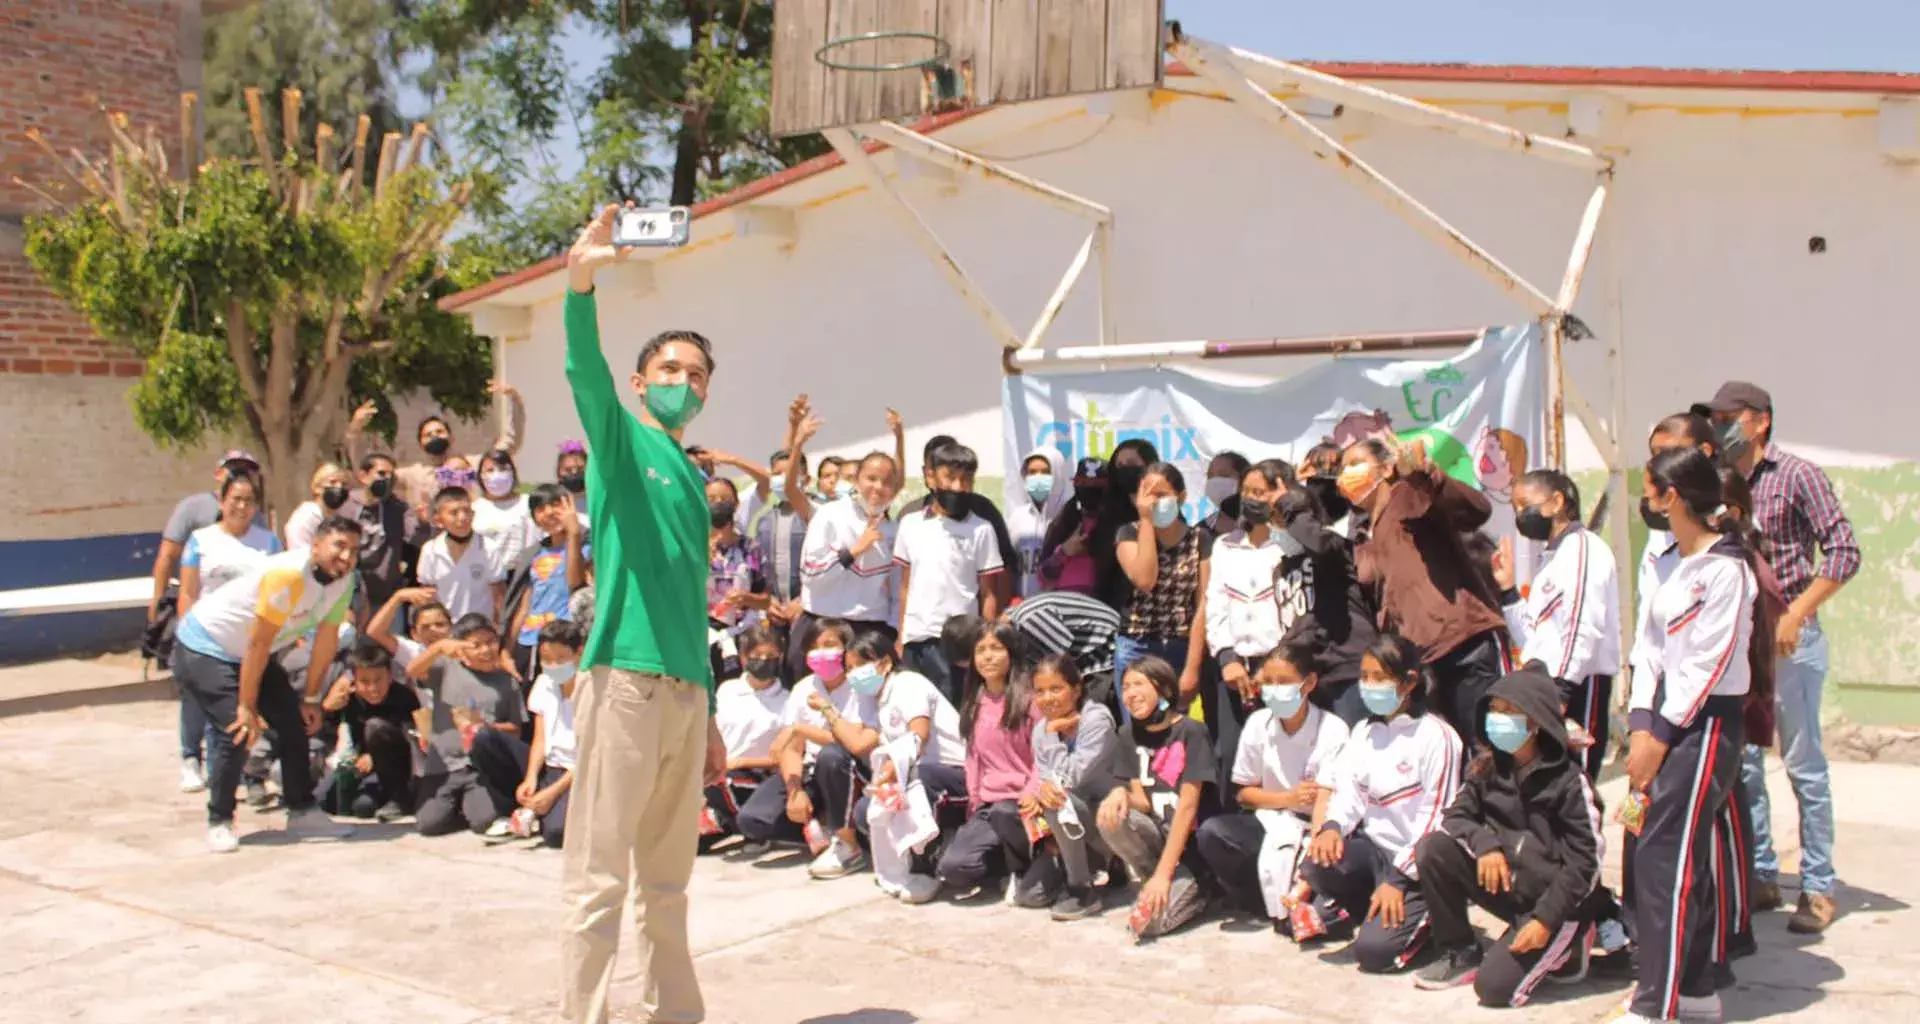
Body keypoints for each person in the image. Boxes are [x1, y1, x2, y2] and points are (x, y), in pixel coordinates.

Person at [560, 205, 729, 1024]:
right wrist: (582, 280)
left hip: (684, 694)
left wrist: (711, 710)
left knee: (669, 884)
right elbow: (584, 371)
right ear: (640, 382)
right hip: (624, 683)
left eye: (697, 374)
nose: (683, 382)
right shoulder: (620, 440)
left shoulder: (695, 482)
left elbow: (690, 605)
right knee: (599, 881)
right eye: (669, 367)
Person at [1698, 381, 1859, 935]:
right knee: (1744, 765)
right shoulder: (1716, 479)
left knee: (1803, 765)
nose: (1720, 424)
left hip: (1791, 641)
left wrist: (1796, 613)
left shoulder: (1796, 475)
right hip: (1739, 643)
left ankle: (1817, 886)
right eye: (1714, 416)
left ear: (1760, 420)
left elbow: (1844, 551)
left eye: (1730, 416)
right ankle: (1762, 872)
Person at [1616, 445, 1757, 1024]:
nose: (1646, 500)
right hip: (1664, 724)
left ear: (1671, 496)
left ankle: (1657, 1003)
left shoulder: (1727, 569)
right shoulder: (1670, 561)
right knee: (1658, 855)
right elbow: (1650, 649)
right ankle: (1694, 990)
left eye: (1650, 489)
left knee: (1666, 862)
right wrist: (1642, 722)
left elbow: (1706, 663)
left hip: (1705, 726)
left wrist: (1663, 733)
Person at [1412, 667, 1605, 1004]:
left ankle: (1571, 944)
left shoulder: (1570, 783)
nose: (1497, 719)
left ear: (1534, 722)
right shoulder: (1488, 769)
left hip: (1556, 907)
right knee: (1434, 848)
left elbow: (1585, 863)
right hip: (1510, 892)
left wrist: (1545, 920)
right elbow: (1454, 817)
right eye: (1494, 710)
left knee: (1495, 989)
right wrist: (1485, 846)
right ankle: (1460, 948)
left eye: (1508, 712)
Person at [169, 517, 362, 853]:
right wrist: (246, 705)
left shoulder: (343, 582)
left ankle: (301, 811)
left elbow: (327, 640)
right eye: (339, 546)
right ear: (315, 545)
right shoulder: (288, 575)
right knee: (238, 729)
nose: (346, 557)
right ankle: (220, 820)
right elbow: (257, 645)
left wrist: (312, 698)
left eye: (354, 550)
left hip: (252, 650)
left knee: (294, 723)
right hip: (205, 647)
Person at [1304, 633, 1463, 973]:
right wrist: (1332, 827)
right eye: (1364, 677)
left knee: (1374, 955)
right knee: (1318, 860)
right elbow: (1349, 793)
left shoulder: (1438, 737)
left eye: (1380, 678)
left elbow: (1436, 817)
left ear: (1408, 682)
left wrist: (1399, 879)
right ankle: (1371, 911)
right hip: (1375, 852)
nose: (1369, 686)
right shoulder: (1363, 732)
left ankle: (1428, 917)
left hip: (1417, 866)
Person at [1341, 439, 1509, 747]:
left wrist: (1425, 473)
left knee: (1486, 746)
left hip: (1461, 644)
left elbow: (1476, 509)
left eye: (1355, 463)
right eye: (1343, 468)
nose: (1346, 474)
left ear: (1387, 468)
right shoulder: (1367, 532)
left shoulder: (1408, 495)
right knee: (1444, 751)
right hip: (1420, 659)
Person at [1193, 630, 1351, 937]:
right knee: (1213, 834)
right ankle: (1260, 903)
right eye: (1268, 683)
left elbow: (1327, 801)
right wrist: (1287, 799)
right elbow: (1245, 793)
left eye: (1285, 683)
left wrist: (1312, 862)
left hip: (1319, 830)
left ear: (1309, 684)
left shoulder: (1333, 730)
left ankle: (1303, 899)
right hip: (1274, 821)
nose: (1275, 691)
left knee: (1322, 896)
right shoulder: (1257, 724)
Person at [1491, 469, 1621, 781]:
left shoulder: (1582, 550)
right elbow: (1535, 639)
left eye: (1525, 505)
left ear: (1556, 502)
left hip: (1578, 687)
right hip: (1547, 687)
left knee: (1577, 785)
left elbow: (1581, 625)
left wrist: (1561, 691)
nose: (1520, 515)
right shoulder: (1551, 559)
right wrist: (1508, 592)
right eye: (1515, 509)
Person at [734, 618, 877, 877]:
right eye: (814, 647)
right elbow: (792, 748)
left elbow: (856, 742)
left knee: (831, 756)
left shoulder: (860, 686)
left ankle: (848, 845)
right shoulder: (803, 688)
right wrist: (794, 790)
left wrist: (801, 729)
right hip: (810, 772)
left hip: (847, 771)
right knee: (752, 820)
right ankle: (818, 826)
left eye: (829, 645)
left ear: (847, 649)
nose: (821, 653)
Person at [840, 632, 970, 904]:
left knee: (915, 784)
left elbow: (918, 736)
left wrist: (892, 769)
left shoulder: (908, 683)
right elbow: (860, 743)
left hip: (951, 773)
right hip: (912, 772)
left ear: (885, 663)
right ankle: (909, 861)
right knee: (867, 810)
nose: (853, 674)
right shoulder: (873, 697)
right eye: (849, 668)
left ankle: (927, 867)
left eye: (859, 666)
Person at [1095, 655, 1216, 940]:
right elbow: (1143, 802)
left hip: (1189, 849)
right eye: (1125, 687)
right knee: (1110, 816)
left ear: (1163, 690)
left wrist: (1166, 875)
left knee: (1150, 925)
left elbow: (1187, 808)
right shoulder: (1127, 735)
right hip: (1158, 840)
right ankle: (1151, 878)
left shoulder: (1191, 732)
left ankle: (1195, 888)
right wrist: (1118, 793)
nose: (1130, 693)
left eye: (1139, 684)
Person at [173, 472, 280, 791]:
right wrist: (186, 634)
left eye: (249, 501)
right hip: (206, 638)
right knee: (196, 701)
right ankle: (191, 758)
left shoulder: (268, 542)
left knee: (238, 708)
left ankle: (242, 774)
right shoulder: (201, 540)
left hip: (249, 640)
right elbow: (189, 591)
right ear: (221, 500)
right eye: (236, 499)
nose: (243, 507)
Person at [935, 622, 1042, 902]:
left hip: (1023, 803)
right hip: (988, 802)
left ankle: (1024, 868)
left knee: (1005, 814)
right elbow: (974, 758)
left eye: (996, 648)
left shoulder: (1031, 700)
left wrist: (1033, 790)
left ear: (1012, 653)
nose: (987, 656)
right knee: (954, 868)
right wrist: (974, 799)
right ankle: (1001, 865)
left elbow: (1046, 755)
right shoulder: (975, 700)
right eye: (980, 650)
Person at [894, 441, 1004, 704]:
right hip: (916, 639)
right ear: (931, 477)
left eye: (966, 479)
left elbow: (989, 593)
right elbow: (905, 586)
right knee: (914, 709)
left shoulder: (981, 529)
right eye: (950, 478)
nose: (958, 487)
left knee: (954, 711)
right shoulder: (910, 524)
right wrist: (901, 636)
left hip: (958, 641)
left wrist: (984, 642)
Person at [1022, 653, 1119, 921]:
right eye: (1040, 691)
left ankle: (1081, 890)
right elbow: (1044, 777)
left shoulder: (1096, 720)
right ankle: (1094, 865)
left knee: (1058, 802)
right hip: (1074, 822)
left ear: (1076, 690)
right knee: (1029, 897)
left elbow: (1071, 776)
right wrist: (1043, 789)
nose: (1048, 698)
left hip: (1109, 819)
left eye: (1056, 689)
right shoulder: (1042, 729)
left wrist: (1054, 736)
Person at [415, 613, 526, 837]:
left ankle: (477, 806)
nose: (486, 650)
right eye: (476, 645)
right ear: (461, 648)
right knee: (428, 825)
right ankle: (457, 808)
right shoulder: (446, 668)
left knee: (484, 822)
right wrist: (438, 648)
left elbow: (516, 729)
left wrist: (486, 727)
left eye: (490, 642)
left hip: (478, 770)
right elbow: (413, 671)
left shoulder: (508, 681)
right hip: (445, 766)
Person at [1113, 462, 1211, 714]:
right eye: (1147, 495)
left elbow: (1203, 604)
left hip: (1179, 646)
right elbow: (1145, 579)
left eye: (1161, 495)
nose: (1154, 502)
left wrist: (1192, 667)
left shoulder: (1199, 539)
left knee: (1173, 727)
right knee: (1140, 727)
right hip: (1137, 645)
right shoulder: (1128, 533)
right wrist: (1146, 521)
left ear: (1181, 497)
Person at [795, 449, 902, 672]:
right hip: (823, 624)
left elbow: (897, 592)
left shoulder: (892, 531)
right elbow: (811, 575)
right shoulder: (829, 515)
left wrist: (893, 633)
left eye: (886, 482)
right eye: (871, 479)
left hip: (869, 630)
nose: (878, 488)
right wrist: (854, 551)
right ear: (856, 480)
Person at [342, 381, 526, 511]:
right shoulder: (414, 475)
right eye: (428, 435)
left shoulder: (476, 464)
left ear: (451, 437)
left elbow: (510, 442)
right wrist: (354, 431)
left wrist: (515, 400)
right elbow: (367, 473)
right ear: (420, 443)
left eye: (439, 432)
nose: (435, 436)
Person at [899, 433, 1017, 607]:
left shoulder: (983, 513)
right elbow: (902, 582)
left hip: (969, 621)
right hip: (922, 625)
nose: (957, 485)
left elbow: (1004, 567)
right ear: (928, 473)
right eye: (947, 473)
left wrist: (998, 616)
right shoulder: (910, 516)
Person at [149, 449, 262, 627]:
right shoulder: (192, 508)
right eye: (234, 469)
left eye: (246, 471)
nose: (240, 475)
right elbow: (167, 556)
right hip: (199, 603)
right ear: (218, 474)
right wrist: (157, 599)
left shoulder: (254, 514)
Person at [704, 626, 789, 848]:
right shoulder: (726, 691)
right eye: (757, 656)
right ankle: (726, 821)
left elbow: (786, 757)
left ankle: (750, 829)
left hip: (758, 777)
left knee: (721, 780)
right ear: (743, 658)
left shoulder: (788, 700)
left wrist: (740, 762)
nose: (764, 662)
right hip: (721, 775)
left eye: (771, 657)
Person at [318, 642, 420, 822]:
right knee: (324, 801)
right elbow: (320, 734)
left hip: (396, 769)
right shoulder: (346, 700)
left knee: (363, 807)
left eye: (378, 680)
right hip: (357, 766)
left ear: (389, 676)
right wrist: (327, 709)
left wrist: (374, 757)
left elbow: (410, 741)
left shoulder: (404, 698)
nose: (372, 688)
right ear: (353, 681)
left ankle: (400, 799)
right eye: (364, 681)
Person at [506, 486, 589, 681]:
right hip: (531, 642)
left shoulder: (588, 547)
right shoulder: (533, 554)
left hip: (566, 642)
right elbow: (524, 606)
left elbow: (575, 583)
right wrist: (507, 650)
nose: (549, 512)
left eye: (556, 505)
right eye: (541, 508)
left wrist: (573, 534)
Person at [516, 621, 585, 848]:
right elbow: (540, 738)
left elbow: (592, 755)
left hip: (581, 771)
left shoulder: (594, 689)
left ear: (579, 652)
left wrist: (553, 793)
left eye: (561, 659)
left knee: (556, 833)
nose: (553, 666)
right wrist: (531, 778)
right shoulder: (544, 683)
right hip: (553, 765)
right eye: (547, 660)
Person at [1004, 588, 1122, 706]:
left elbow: (1061, 664)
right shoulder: (1014, 619)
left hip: (1105, 648)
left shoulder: (1028, 621)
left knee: (1082, 704)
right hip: (1084, 652)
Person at [346, 453, 430, 616]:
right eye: (381, 473)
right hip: (352, 596)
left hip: (387, 597)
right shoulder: (347, 505)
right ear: (363, 476)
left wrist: (421, 521)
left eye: (391, 475)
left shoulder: (398, 508)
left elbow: (415, 538)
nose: (387, 479)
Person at [706, 475, 770, 671]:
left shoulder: (751, 548)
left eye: (724, 499)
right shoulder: (691, 547)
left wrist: (746, 598)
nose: (718, 503)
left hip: (741, 637)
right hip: (701, 637)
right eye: (711, 498)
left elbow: (766, 600)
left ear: (736, 504)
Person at [417, 486, 498, 623]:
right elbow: (427, 596)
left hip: (480, 627)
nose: (462, 517)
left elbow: (498, 594)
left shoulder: (489, 548)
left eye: (467, 511)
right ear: (438, 520)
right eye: (454, 513)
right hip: (445, 629)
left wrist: (499, 629)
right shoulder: (430, 550)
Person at [1036, 457, 1108, 597]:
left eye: (1096, 486)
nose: (1089, 490)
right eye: (1083, 484)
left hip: (1104, 610)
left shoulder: (1118, 526)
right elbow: (1043, 578)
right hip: (1063, 609)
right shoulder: (1062, 523)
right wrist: (1064, 552)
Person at [1007, 446, 1071, 598]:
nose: (1038, 478)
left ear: (1057, 473)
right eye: (1032, 473)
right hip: (1023, 608)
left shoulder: (1071, 516)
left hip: (1060, 609)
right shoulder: (1018, 518)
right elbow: (1010, 568)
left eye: (1045, 472)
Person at [473, 448, 531, 585]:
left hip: (521, 578)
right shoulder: (474, 508)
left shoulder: (527, 503)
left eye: (503, 469)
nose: (497, 475)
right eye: (490, 470)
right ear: (481, 475)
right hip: (484, 579)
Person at [283, 463, 354, 550]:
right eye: (332, 482)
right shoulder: (305, 517)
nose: (339, 487)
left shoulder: (343, 518)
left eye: (344, 484)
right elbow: (299, 553)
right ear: (317, 488)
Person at [1200, 450, 1251, 535]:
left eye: (1224, 475)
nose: (1215, 482)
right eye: (1210, 476)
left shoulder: (1259, 527)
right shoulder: (1200, 529)